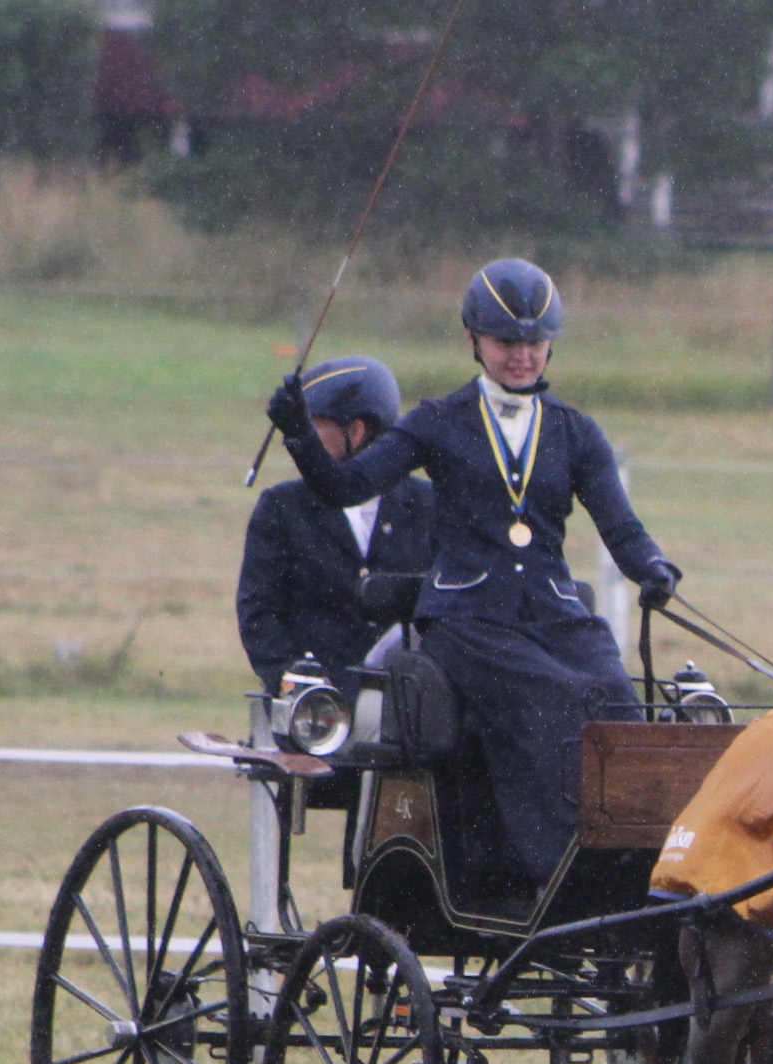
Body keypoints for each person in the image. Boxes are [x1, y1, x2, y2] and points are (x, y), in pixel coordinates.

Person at [265, 258, 680, 892]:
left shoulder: (576, 433)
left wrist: (651, 567)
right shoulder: (438, 422)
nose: (522, 355)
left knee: (613, 701)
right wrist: (300, 434)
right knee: (547, 697)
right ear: (475, 342)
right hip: (466, 617)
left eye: (535, 342)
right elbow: (349, 485)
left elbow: (620, 527)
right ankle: (555, 866)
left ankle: (629, 860)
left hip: (552, 611)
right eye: (507, 342)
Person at [236, 355, 434, 694]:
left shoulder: (430, 505)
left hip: (407, 703)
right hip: (314, 704)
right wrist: (288, 675)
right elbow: (259, 610)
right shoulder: (282, 508)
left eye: (313, 426)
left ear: (356, 432)